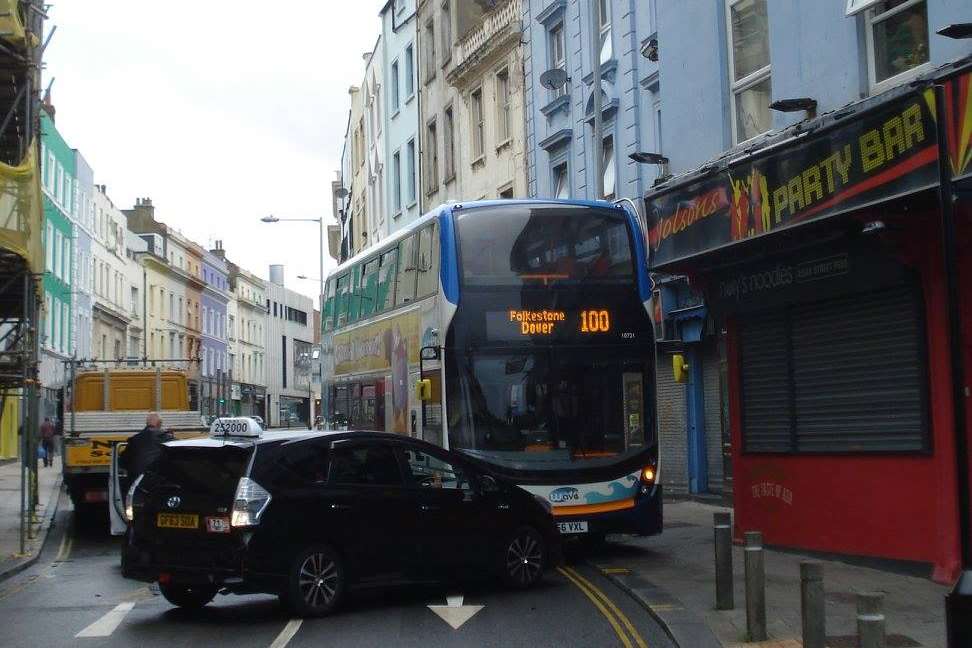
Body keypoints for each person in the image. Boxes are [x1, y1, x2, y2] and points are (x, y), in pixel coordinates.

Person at [120, 412, 173, 482]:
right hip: (160, 483)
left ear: (146, 424)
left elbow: (123, 462)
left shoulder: (135, 439)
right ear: (160, 424)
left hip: (137, 484)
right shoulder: (166, 438)